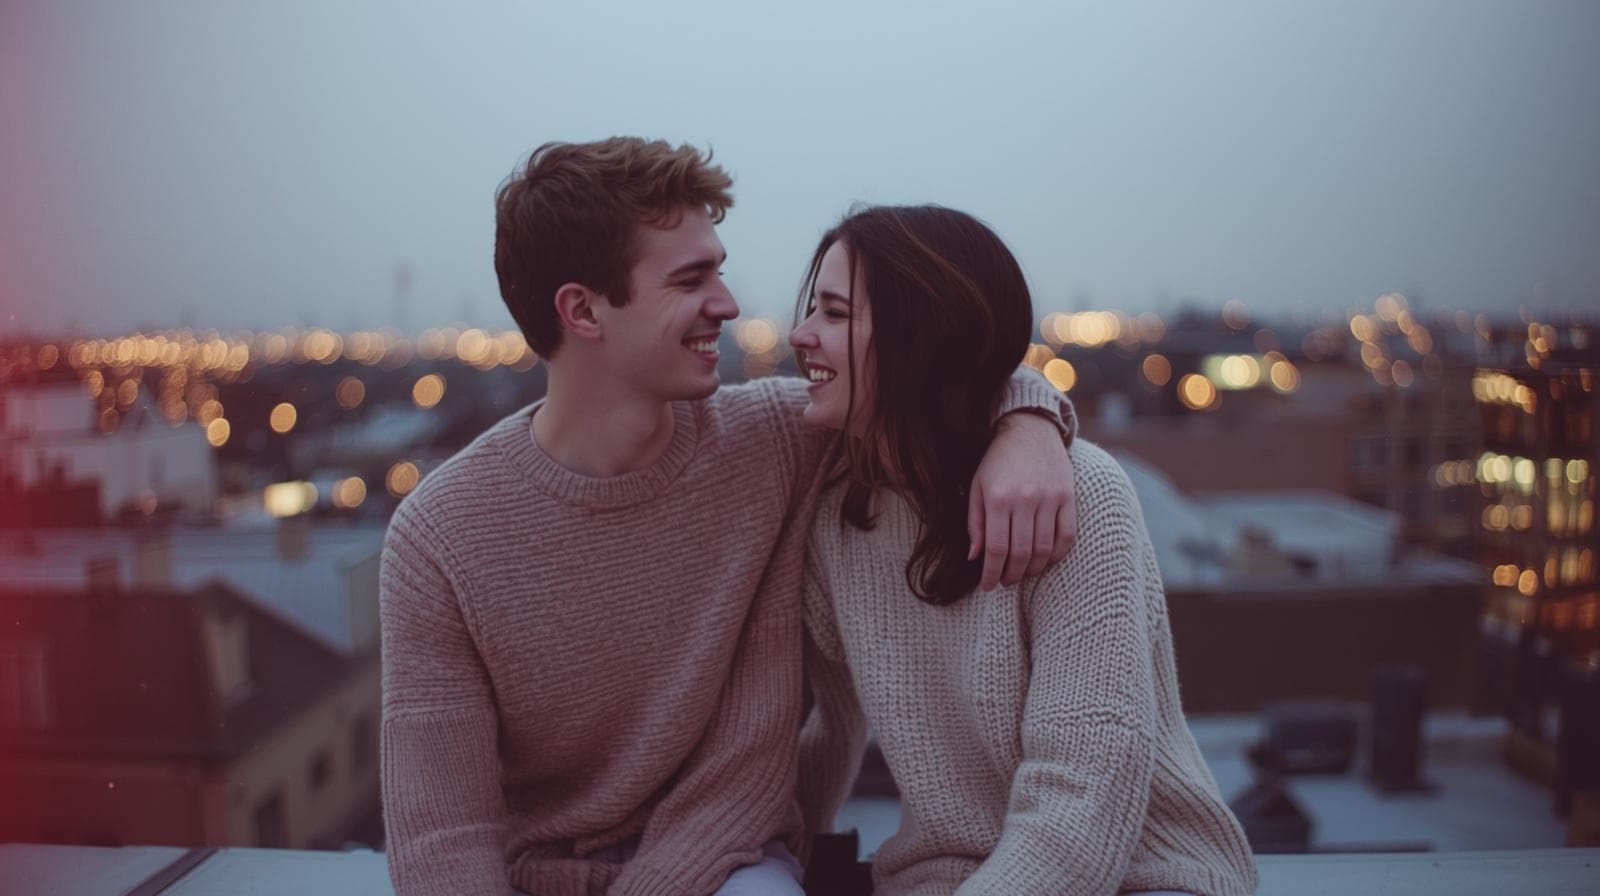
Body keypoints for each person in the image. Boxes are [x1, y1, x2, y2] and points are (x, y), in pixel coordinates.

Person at [379, 139, 1081, 896]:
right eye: (691, 280)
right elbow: (443, 838)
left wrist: (1030, 422)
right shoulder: (440, 538)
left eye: (718, 269)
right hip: (533, 879)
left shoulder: (776, 440)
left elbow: (926, 380)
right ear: (582, 310)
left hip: (727, 864)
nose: (728, 302)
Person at [791, 205, 1259, 896]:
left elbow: (1083, 799)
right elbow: (823, 732)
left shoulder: (1080, 494)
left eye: (833, 313)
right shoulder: (840, 515)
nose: (800, 335)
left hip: (1146, 875)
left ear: (920, 335)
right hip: (944, 878)